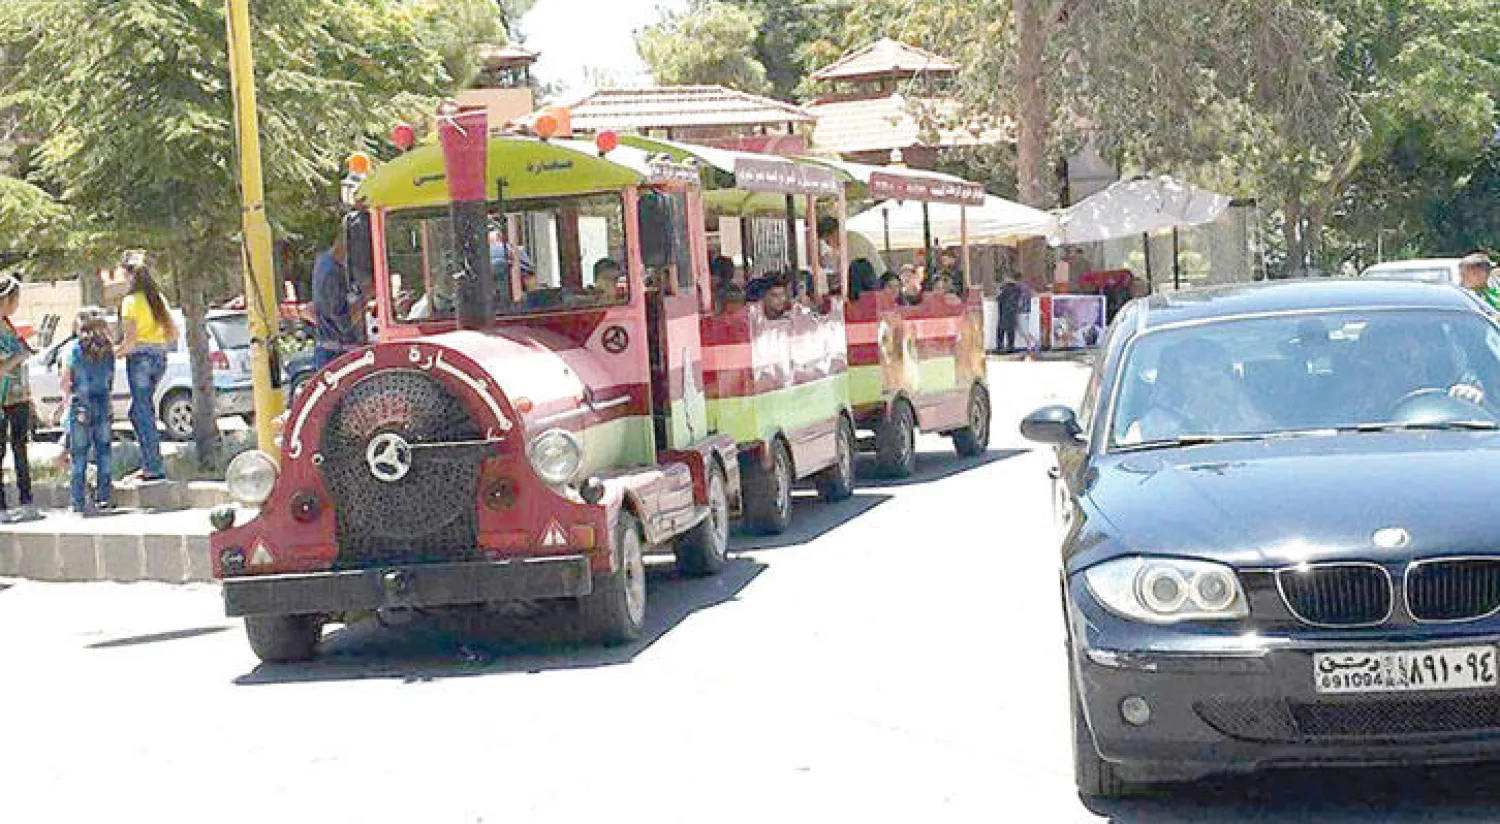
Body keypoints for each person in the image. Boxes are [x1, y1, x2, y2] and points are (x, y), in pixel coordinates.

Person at [118, 262, 175, 483]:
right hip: (160, 356)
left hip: (140, 357)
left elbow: (129, 341)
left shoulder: (130, 302)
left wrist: (112, 353)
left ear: (131, 277)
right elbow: (172, 333)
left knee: (142, 412)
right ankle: (150, 462)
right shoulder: (158, 299)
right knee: (139, 410)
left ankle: (152, 466)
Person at [56, 308, 115, 514]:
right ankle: (104, 497)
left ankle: (78, 501)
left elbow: (66, 380)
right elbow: (110, 379)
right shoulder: (108, 349)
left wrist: (64, 403)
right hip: (102, 403)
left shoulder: (72, 349)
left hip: (80, 404)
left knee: (78, 454)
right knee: (103, 453)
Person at [0, 275, 37, 522]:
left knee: (21, 447)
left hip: (18, 397)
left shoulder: (9, 325)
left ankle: (26, 499)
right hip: (2, 398)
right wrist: (20, 356)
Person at [996, 275, 1024, 353]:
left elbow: (998, 299)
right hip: (1012, 313)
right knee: (1011, 331)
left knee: (1001, 330)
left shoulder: (1005, 290)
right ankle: (1011, 347)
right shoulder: (1017, 290)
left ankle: (1000, 347)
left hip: (1004, 313)